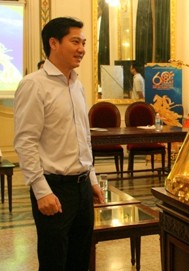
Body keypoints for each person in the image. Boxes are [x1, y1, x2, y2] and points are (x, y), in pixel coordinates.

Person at [13, 17, 104, 270]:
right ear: (53, 43)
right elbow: (26, 142)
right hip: (54, 188)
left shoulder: (77, 84)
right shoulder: (34, 84)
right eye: (75, 41)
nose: (82, 49)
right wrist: (41, 191)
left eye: (84, 42)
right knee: (54, 262)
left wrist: (93, 180)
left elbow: (83, 138)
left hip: (82, 186)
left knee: (80, 258)